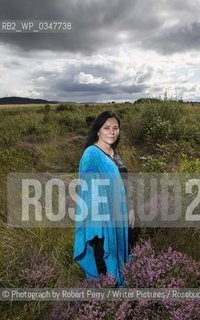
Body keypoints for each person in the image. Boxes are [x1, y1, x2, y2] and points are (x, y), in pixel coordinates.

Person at [73, 111, 135, 287]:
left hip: (121, 213)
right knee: (104, 255)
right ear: (98, 130)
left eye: (115, 128)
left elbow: (125, 184)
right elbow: (87, 189)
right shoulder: (91, 154)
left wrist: (130, 208)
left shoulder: (115, 153)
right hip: (102, 218)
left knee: (122, 250)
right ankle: (106, 296)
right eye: (106, 128)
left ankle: (119, 286)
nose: (112, 132)